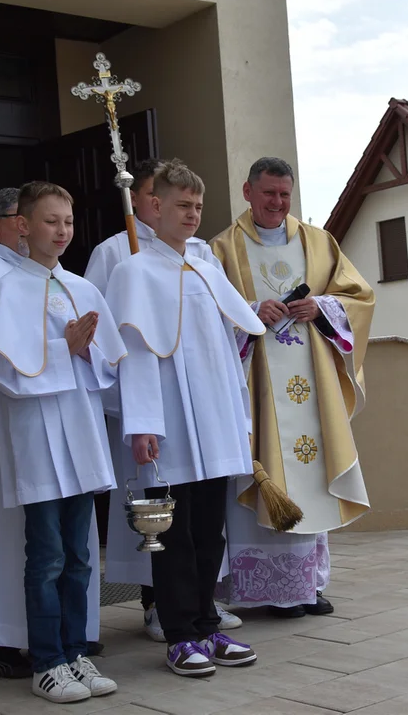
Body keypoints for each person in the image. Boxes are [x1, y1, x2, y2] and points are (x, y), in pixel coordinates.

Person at [0, 181, 125, 704]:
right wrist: (60, 345)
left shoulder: (83, 289)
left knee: (79, 555)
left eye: (68, 223)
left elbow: (108, 367)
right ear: (22, 227)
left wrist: (87, 351)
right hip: (37, 438)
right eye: (51, 222)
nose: (62, 232)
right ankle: (46, 661)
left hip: (81, 431)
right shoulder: (5, 289)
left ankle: (76, 653)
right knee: (46, 555)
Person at [104, 160, 263, 677]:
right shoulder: (133, 270)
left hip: (212, 418)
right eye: (182, 206)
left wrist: (238, 415)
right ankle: (179, 634)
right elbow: (135, 351)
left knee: (211, 529)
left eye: (198, 206)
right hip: (168, 421)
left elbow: (227, 343)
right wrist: (142, 424)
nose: (192, 215)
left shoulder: (205, 264)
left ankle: (207, 622)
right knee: (174, 533)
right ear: (154, 207)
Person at [210, 157, 374, 618]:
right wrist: (248, 314)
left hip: (312, 383)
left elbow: (359, 297)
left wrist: (320, 308)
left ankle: (306, 587)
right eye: (268, 194)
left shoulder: (319, 243)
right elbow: (204, 313)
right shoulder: (221, 249)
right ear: (248, 192)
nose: (278, 203)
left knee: (312, 479)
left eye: (285, 194)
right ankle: (269, 590)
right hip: (256, 384)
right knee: (266, 471)